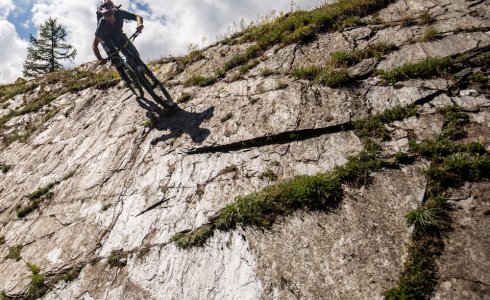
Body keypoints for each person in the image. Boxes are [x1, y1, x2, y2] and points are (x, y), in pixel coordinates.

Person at [92, 1, 144, 81]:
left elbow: (137, 17)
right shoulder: (101, 26)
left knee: (134, 54)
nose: (109, 17)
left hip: (118, 34)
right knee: (116, 59)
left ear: (114, 11)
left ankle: (143, 78)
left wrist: (139, 24)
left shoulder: (119, 13)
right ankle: (127, 79)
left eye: (110, 14)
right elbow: (94, 45)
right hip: (106, 39)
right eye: (105, 15)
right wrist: (100, 58)